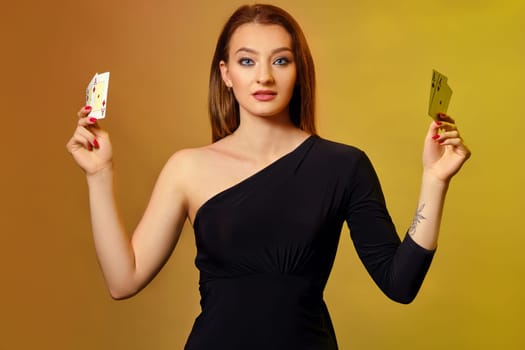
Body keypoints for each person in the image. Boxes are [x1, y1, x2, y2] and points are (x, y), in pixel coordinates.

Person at [66, 4, 471, 349]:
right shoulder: (187, 167)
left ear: (298, 70)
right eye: (247, 61)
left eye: (280, 60)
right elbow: (123, 281)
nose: (264, 77)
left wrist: (434, 182)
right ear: (226, 74)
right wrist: (100, 175)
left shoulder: (344, 166)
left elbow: (399, 284)